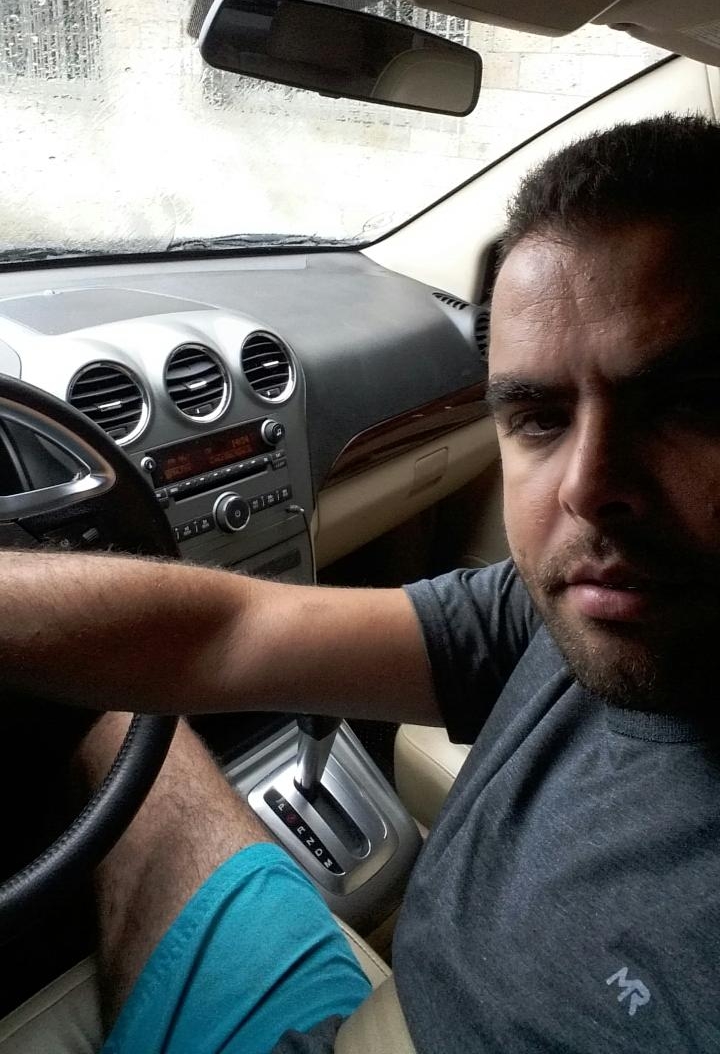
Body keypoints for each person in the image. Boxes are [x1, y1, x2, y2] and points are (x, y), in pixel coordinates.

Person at [2, 111, 720, 1052]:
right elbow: (224, 636)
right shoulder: (569, 612)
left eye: (691, 406)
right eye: (540, 418)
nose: (587, 488)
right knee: (123, 718)